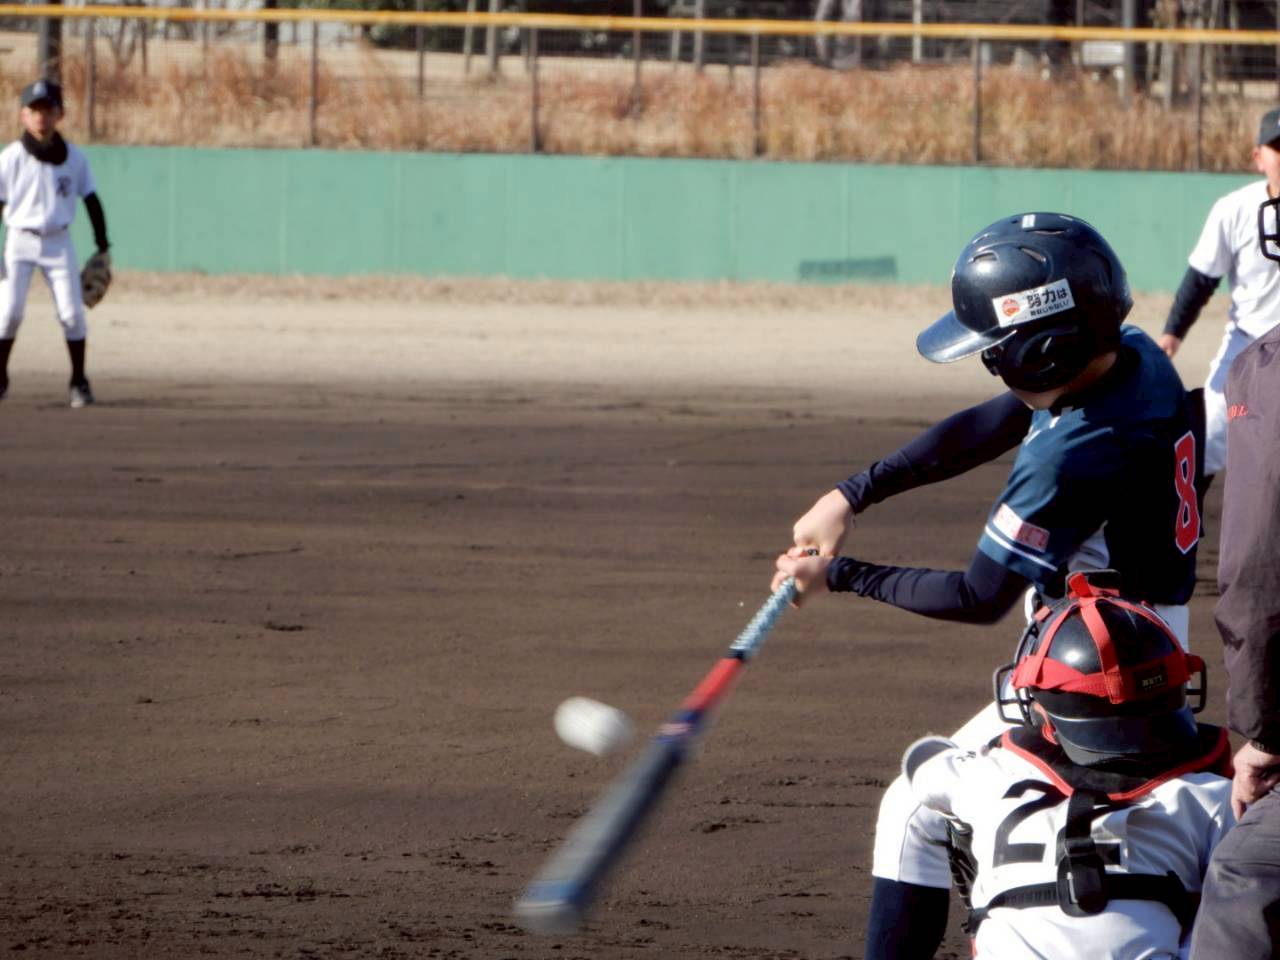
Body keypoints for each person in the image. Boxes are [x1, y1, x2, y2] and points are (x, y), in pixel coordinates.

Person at [770, 212, 1205, 959]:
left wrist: (839, 575)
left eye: (997, 352)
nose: (993, 366)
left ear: (1043, 351)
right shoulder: (1129, 354)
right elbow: (991, 423)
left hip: (1095, 675)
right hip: (1142, 642)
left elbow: (979, 597)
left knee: (911, 806)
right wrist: (853, 493)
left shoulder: (1069, 455)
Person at [907, 574, 1233, 960]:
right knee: (1242, 892)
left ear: (1042, 707)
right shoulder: (1211, 797)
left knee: (935, 821)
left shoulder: (989, 775)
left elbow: (920, 760)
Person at [1185, 196, 1280, 959]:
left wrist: (1265, 732)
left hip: (1248, 374)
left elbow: (1256, 578)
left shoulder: (1267, 371)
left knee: (1246, 873)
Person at [1157, 106, 1280, 477]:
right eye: (1277, 148)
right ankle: (1188, 513)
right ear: (1258, 157)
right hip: (1249, 346)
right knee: (1206, 441)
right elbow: (1201, 278)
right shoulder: (1234, 209)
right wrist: (1172, 333)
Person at [0, 78, 111, 408]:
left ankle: (79, 382)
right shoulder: (11, 158)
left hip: (58, 243)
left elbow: (91, 200)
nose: (41, 117)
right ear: (23, 115)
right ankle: (0, 376)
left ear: (59, 114)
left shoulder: (75, 158)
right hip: (19, 241)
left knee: (72, 314)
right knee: (8, 313)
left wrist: (103, 245)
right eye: (34, 110)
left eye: (47, 110)